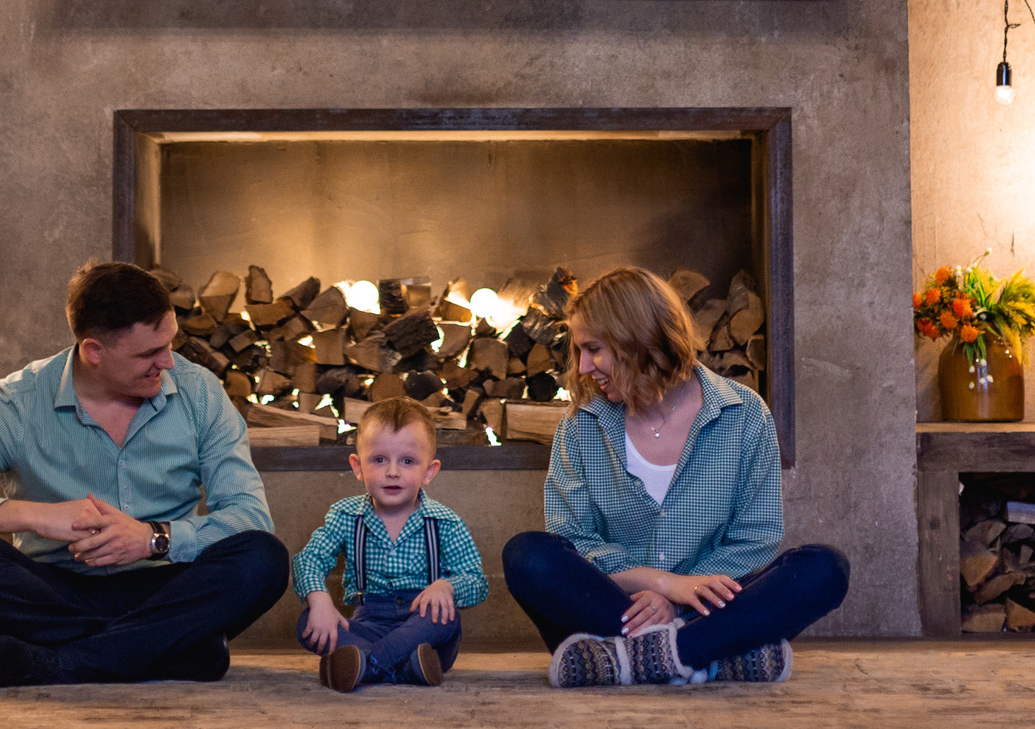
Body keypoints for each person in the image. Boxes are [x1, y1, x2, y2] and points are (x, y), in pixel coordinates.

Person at [0, 260, 288, 688]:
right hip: (53, 592)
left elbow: (251, 518)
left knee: (264, 559)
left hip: (164, 587)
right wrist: (36, 516)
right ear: (93, 350)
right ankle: (171, 649)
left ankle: (59, 663)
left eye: (169, 344)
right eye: (149, 353)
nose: (168, 362)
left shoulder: (199, 392)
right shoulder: (15, 402)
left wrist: (155, 538)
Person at [502, 266, 848, 687]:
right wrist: (665, 585)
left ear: (639, 337)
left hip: (708, 608)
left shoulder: (745, 414)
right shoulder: (581, 426)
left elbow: (755, 540)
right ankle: (714, 656)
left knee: (825, 568)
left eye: (594, 348)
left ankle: (632, 659)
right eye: (579, 351)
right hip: (615, 608)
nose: (584, 366)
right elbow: (575, 542)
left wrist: (682, 605)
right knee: (526, 555)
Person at [292, 395, 488, 691]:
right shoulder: (346, 516)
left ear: (429, 471)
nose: (392, 471)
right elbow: (310, 559)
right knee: (308, 621)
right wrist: (319, 599)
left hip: (422, 628)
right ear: (358, 467)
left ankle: (365, 664)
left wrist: (447, 587)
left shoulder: (444, 522)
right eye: (379, 459)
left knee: (444, 621)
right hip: (368, 624)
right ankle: (405, 668)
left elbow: (476, 581)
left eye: (407, 461)